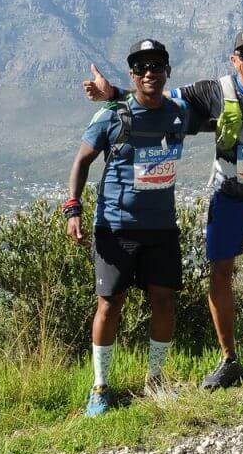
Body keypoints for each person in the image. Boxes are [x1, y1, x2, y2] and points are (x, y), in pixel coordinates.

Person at [84, 28, 243, 388]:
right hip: (230, 193)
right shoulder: (212, 91)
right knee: (220, 271)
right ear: (234, 60)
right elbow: (159, 98)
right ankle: (229, 359)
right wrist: (115, 95)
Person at [66, 39, 202, 417]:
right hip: (116, 227)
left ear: (167, 71)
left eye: (156, 66)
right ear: (132, 73)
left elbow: (209, 117)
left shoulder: (179, 113)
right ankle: (100, 386)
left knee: (165, 302)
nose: (149, 73)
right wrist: (73, 208)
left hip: (162, 227)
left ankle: (156, 381)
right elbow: (82, 160)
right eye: (141, 67)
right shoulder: (113, 115)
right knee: (109, 305)